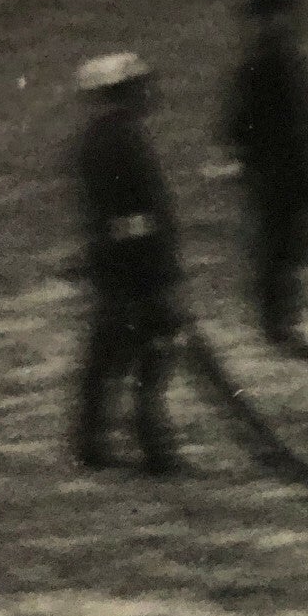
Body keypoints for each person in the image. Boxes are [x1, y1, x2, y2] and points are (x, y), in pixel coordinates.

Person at [68, 51, 186, 474]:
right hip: (133, 266)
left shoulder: (107, 135)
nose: (148, 94)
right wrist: (155, 259)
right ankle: (151, 447)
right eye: (139, 86)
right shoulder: (118, 139)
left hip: (120, 263)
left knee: (112, 355)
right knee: (146, 356)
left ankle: (93, 441)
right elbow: (129, 212)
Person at [221, 0, 308, 357]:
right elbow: (237, 125)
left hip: (285, 173)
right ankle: (279, 329)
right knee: (278, 252)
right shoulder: (264, 63)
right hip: (276, 174)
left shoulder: (276, 59)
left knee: (288, 250)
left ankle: (279, 326)